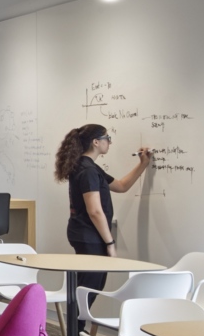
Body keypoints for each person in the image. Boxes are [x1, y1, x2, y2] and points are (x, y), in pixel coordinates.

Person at [52, 125, 151, 320]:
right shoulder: (87, 170)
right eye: (107, 137)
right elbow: (95, 211)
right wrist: (110, 243)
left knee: (88, 287)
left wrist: (143, 164)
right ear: (95, 142)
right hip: (89, 236)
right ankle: (75, 332)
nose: (110, 142)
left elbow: (121, 186)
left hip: (83, 234)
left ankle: (75, 330)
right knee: (89, 288)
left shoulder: (87, 166)